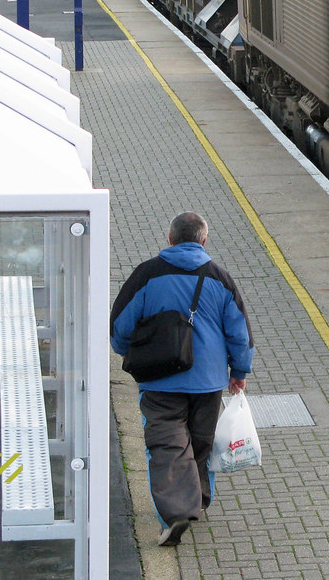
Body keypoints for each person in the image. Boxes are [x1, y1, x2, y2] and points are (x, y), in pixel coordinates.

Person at [111, 212, 254, 547]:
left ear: (170, 238)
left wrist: (125, 351)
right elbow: (239, 332)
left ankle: (176, 513)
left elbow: (120, 324)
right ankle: (199, 501)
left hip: (159, 379)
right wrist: (239, 372)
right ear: (204, 240)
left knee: (167, 444)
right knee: (201, 443)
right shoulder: (219, 277)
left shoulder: (146, 274)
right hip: (208, 381)